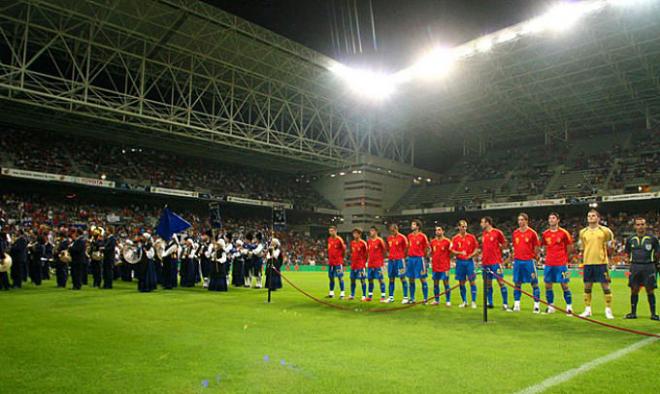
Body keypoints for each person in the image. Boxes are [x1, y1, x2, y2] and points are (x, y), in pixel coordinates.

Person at [578, 209, 615, 319]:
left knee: (605, 286)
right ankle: (587, 309)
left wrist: (609, 257)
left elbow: (611, 245)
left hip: (601, 263)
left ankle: (608, 309)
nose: (591, 217)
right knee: (587, 286)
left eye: (593, 216)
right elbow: (583, 247)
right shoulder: (583, 232)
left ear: (598, 218)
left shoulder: (605, 231)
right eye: (589, 216)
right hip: (588, 262)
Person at [623, 217, 658, 320]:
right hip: (635, 266)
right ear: (635, 226)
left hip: (648, 266)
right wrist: (629, 262)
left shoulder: (653, 238)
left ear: (646, 225)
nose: (640, 227)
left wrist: (656, 264)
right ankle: (633, 313)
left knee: (650, 290)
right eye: (638, 224)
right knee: (634, 290)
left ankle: (653, 314)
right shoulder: (630, 239)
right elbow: (627, 252)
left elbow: (657, 252)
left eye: (642, 224)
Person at [541, 212, 574, 315]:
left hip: (562, 264)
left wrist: (563, 258)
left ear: (558, 220)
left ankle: (569, 307)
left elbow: (570, 248)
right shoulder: (545, 234)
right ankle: (550, 306)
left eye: (553, 218)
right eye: (550, 218)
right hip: (549, 264)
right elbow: (545, 247)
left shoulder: (564, 233)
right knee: (547, 285)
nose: (551, 220)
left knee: (564, 284)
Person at [512, 213, 541, 313]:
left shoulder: (532, 233)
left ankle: (536, 305)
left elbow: (537, 247)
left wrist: (534, 256)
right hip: (517, 261)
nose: (520, 222)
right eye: (519, 220)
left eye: (522, 220)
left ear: (526, 221)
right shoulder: (515, 233)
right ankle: (516, 305)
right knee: (517, 283)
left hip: (528, 261)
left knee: (534, 283)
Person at [480, 217, 509, 310]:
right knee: (488, 284)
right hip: (485, 263)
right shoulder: (484, 234)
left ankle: (505, 304)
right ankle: (490, 302)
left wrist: (499, 251)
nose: (481, 224)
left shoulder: (497, 232)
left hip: (495, 262)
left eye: (482, 222)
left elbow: (504, 243)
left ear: (487, 223)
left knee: (501, 282)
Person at [451, 220, 478, 308]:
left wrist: (471, 255)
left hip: (469, 262)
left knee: (472, 281)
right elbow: (452, 250)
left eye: (465, 226)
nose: (464, 228)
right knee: (461, 282)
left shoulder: (471, 237)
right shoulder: (455, 238)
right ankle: (464, 301)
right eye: (462, 226)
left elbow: (476, 249)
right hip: (460, 262)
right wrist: (459, 252)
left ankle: (473, 301)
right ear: (458, 227)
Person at [406, 219, 429, 304]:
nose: (412, 226)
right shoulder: (409, 236)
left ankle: (425, 299)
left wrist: (423, 255)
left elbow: (427, 247)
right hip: (411, 259)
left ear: (418, 226)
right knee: (411, 279)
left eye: (414, 224)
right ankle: (412, 298)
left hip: (419, 259)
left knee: (422, 279)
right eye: (412, 224)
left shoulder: (423, 236)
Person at [386, 223, 409, 303]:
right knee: (391, 278)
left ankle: (405, 297)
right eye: (391, 231)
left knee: (402, 278)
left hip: (400, 261)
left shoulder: (402, 237)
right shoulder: (389, 238)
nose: (392, 232)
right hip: (391, 261)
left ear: (396, 229)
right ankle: (391, 297)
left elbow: (406, 248)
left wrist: (402, 256)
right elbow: (388, 249)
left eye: (393, 230)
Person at [430, 226, 452, 306]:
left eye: (439, 230)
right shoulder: (432, 242)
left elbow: (451, 252)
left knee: (446, 283)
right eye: (436, 230)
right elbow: (432, 252)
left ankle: (448, 300)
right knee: (435, 284)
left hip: (444, 266)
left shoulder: (447, 241)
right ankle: (436, 300)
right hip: (435, 266)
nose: (437, 231)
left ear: (443, 231)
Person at [366, 226, 387, 302]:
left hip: (378, 264)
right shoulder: (369, 241)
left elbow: (384, 250)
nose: (371, 232)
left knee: (380, 280)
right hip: (370, 264)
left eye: (372, 231)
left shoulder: (379, 240)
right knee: (370, 280)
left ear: (376, 232)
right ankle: (370, 296)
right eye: (370, 231)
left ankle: (383, 296)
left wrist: (381, 260)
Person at [326, 226, 346, 299]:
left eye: (332, 231)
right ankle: (331, 293)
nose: (330, 232)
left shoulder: (339, 240)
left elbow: (344, 250)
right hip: (331, 262)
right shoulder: (329, 239)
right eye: (330, 231)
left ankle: (342, 294)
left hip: (338, 262)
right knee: (331, 277)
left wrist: (340, 259)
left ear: (335, 231)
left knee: (340, 277)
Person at [349, 228, 368, 301]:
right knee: (352, 280)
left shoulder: (363, 243)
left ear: (360, 234)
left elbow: (366, 254)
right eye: (354, 233)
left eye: (356, 233)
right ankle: (352, 295)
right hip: (353, 265)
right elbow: (352, 253)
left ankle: (363, 295)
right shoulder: (352, 243)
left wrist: (364, 263)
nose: (355, 235)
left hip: (361, 265)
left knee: (362, 280)